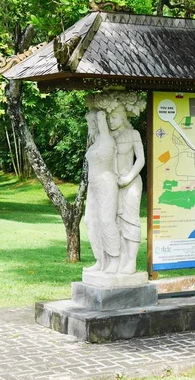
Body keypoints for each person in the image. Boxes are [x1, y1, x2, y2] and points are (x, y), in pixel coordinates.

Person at [108, 103, 145, 275]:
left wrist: (129, 177)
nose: (110, 121)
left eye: (114, 117)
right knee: (116, 222)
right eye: (109, 118)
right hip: (113, 183)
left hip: (131, 183)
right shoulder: (108, 137)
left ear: (123, 117)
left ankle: (131, 261)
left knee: (131, 221)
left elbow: (141, 159)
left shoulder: (133, 134)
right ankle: (120, 260)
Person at [83, 109, 121, 274]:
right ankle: (100, 259)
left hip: (106, 182)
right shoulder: (96, 141)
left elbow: (100, 117)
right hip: (93, 185)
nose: (89, 125)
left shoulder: (106, 138)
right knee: (90, 221)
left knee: (106, 220)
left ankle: (114, 258)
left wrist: (101, 111)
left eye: (91, 122)